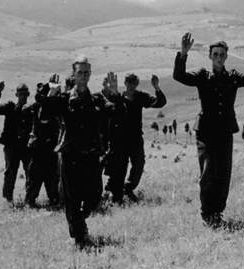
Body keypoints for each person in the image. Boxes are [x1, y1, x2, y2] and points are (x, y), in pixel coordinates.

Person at [173, 33, 244, 226]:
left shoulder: (233, 77)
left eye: (222, 54)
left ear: (226, 56)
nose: (218, 58)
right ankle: (207, 212)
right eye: (215, 54)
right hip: (205, 132)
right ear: (209, 56)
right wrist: (183, 53)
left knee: (223, 174)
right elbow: (179, 76)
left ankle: (217, 212)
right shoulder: (201, 76)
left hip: (225, 131)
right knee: (208, 171)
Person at [34, 56, 124, 247]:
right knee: (71, 198)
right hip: (69, 156)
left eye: (86, 72)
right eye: (79, 72)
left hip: (91, 156)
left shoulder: (98, 100)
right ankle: (80, 236)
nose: (83, 76)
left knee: (95, 195)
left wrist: (116, 94)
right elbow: (44, 116)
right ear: (73, 74)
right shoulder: (64, 99)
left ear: (90, 74)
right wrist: (51, 94)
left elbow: (119, 113)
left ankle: (79, 220)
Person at [104, 73, 167, 203]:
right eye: (129, 83)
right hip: (120, 140)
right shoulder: (118, 97)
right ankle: (115, 193)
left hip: (136, 138)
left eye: (134, 83)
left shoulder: (140, 96)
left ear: (137, 84)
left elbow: (160, 102)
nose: (132, 86)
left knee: (139, 165)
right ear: (125, 83)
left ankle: (128, 188)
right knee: (120, 169)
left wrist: (156, 88)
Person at [0, 81, 34, 204]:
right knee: (10, 173)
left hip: (26, 147)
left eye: (25, 94)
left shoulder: (32, 110)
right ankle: (8, 200)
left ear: (28, 94)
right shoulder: (10, 107)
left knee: (30, 172)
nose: (23, 96)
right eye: (20, 94)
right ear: (16, 95)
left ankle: (29, 199)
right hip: (12, 147)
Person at [25, 74, 65, 209]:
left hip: (51, 146)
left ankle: (54, 199)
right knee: (35, 175)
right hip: (39, 146)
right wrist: (48, 87)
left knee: (52, 176)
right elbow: (40, 106)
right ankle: (30, 200)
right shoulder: (37, 106)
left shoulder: (56, 104)